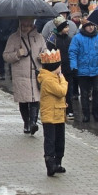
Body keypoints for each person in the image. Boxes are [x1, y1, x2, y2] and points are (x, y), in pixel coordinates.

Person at [2, 17, 48, 134]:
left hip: (36, 73)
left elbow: (45, 51)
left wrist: (43, 56)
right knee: (23, 100)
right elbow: (6, 56)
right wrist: (17, 54)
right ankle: (26, 123)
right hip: (20, 74)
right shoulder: (14, 38)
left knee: (35, 99)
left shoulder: (39, 37)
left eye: (28, 24)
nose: (26, 27)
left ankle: (33, 123)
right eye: (24, 25)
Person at [68, 21, 98, 122]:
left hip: (97, 69)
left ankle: (95, 111)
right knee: (84, 93)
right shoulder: (77, 38)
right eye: (88, 26)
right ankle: (86, 114)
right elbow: (73, 52)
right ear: (84, 27)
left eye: (92, 25)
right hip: (83, 70)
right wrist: (74, 66)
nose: (90, 27)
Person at [37, 49, 69, 177]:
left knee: (60, 140)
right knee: (50, 140)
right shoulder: (49, 80)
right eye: (59, 65)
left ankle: (58, 162)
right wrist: (63, 80)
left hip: (58, 113)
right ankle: (50, 164)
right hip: (50, 115)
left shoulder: (54, 77)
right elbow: (61, 91)